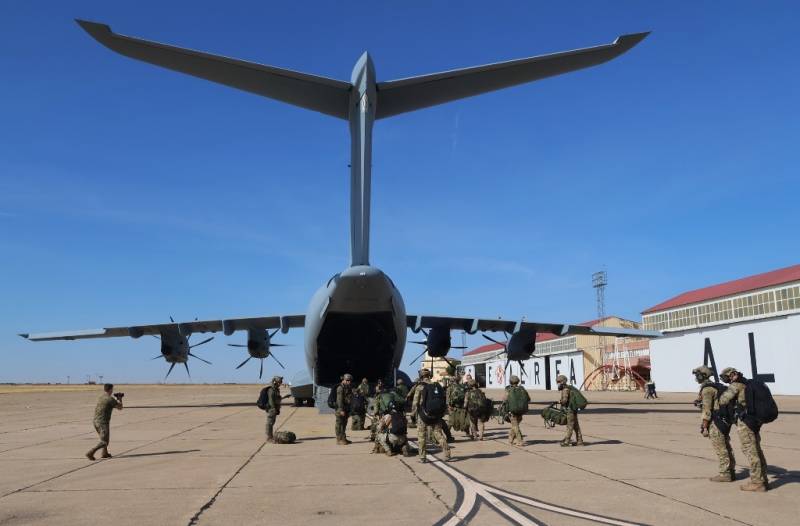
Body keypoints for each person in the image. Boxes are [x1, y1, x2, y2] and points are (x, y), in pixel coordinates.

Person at [718, 367, 769, 492]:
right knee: (756, 449)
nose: (725, 380)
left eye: (726, 377)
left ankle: (757, 482)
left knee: (750, 450)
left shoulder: (736, 385)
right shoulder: (747, 383)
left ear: (733, 374)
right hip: (754, 421)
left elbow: (723, 400)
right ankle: (763, 480)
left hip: (745, 422)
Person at [692, 366, 735, 482]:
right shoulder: (714, 386)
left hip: (716, 422)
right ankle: (731, 471)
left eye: (697, 375)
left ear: (703, 376)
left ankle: (725, 474)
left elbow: (707, 410)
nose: (696, 378)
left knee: (720, 448)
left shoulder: (707, 390)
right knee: (726, 446)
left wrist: (704, 425)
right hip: (724, 421)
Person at [411, 368, 451, 463]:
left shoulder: (420, 387)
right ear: (429, 376)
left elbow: (415, 403)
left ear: (421, 376)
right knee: (438, 434)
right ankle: (447, 454)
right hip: (436, 415)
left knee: (421, 436)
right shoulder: (436, 386)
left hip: (423, 415)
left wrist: (413, 414)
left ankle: (422, 457)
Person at [86, 383, 123, 460]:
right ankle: (90, 452)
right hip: (103, 422)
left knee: (103, 438)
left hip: (96, 421)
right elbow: (120, 407)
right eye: (112, 389)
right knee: (105, 441)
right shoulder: (110, 399)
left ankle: (104, 453)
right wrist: (119, 399)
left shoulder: (101, 397)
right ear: (110, 389)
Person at [557, 375, 584, 447]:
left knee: (570, 426)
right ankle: (580, 441)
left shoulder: (565, 390)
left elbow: (564, 401)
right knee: (576, 426)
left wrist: (560, 402)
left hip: (570, 410)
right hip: (573, 409)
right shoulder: (569, 388)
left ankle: (567, 441)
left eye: (559, 382)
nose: (558, 384)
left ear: (563, 382)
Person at [505, 375, 530, 445]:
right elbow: (528, 398)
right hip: (521, 410)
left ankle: (520, 440)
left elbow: (504, 399)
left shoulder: (508, 389)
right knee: (515, 425)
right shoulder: (522, 389)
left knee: (515, 426)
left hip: (512, 411)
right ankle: (510, 440)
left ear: (510, 382)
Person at [335, 373, 354, 445]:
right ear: (344, 380)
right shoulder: (340, 388)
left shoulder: (347, 387)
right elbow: (339, 400)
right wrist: (341, 410)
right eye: (348, 380)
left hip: (346, 408)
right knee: (339, 424)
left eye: (350, 380)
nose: (349, 382)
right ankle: (339, 439)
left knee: (344, 424)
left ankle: (343, 438)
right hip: (340, 409)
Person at [265, 376, 284, 443]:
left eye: (280, 383)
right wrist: (273, 409)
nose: (280, 384)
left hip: (274, 408)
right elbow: (271, 401)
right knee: (269, 423)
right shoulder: (271, 390)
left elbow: (276, 399)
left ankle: (270, 436)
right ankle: (269, 438)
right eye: (279, 382)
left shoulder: (276, 389)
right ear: (275, 382)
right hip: (271, 409)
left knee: (272, 423)